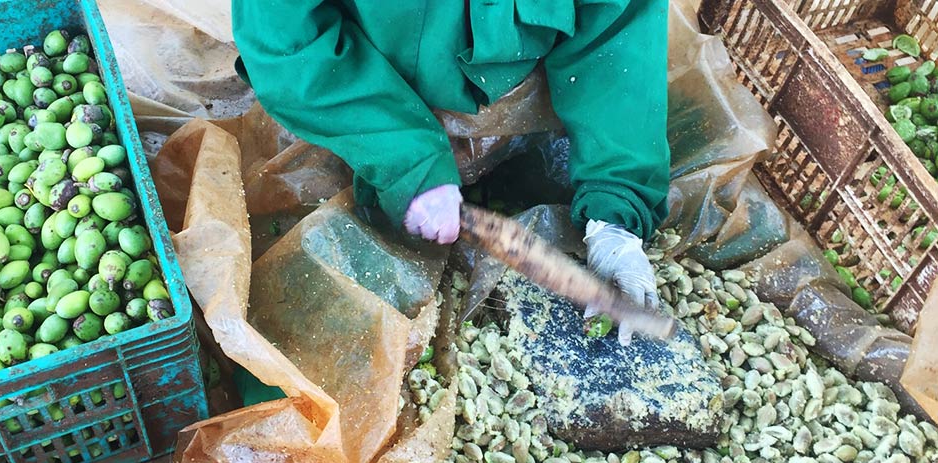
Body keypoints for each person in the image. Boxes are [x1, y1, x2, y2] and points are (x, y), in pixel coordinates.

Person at [232, 1, 669, 345]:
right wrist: (408, 160)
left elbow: (619, 32)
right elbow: (285, 39)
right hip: (351, 111)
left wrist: (617, 207)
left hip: (525, 107)